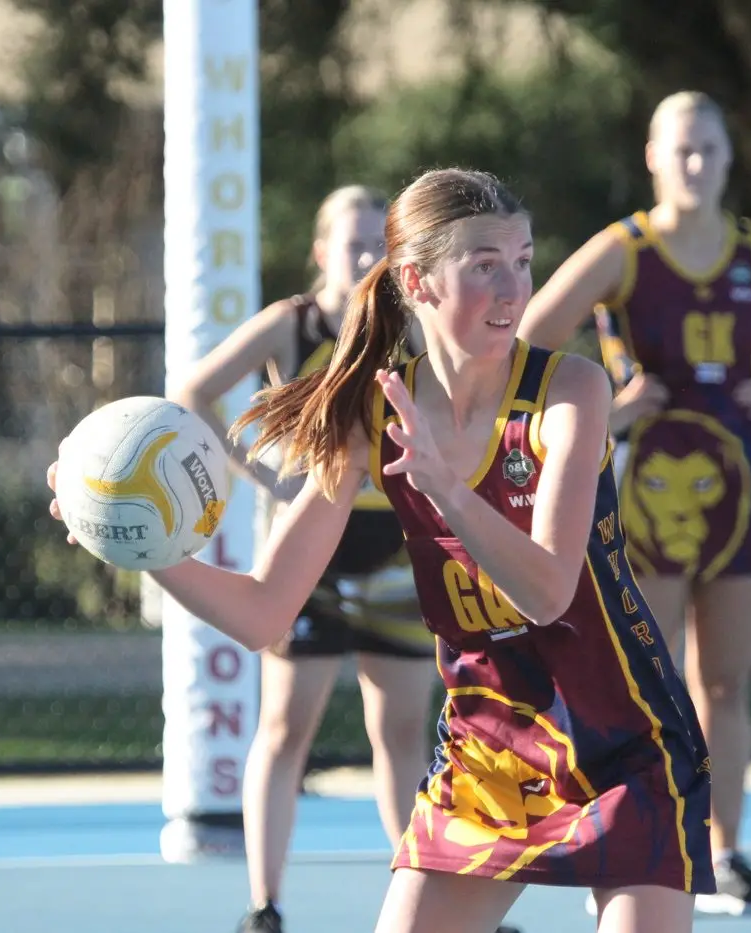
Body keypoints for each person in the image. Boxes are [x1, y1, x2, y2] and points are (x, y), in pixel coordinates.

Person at [50, 168, 714, 933]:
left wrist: (447, 489)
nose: (513, 288)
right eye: (484, 265)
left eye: (523, 260)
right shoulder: (373, 409)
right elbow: (266, 611)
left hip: (625, 740)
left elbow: (548, 590)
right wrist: (142, 547)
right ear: (417, 281)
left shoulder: (570, 390)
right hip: (489, 749)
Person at [517, 90, 751, 916]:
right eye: (682, 149)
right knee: (647, 682)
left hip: (739, 483)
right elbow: (526, 345)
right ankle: (647, 840)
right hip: (645, 490)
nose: (696, 163)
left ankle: (725, 851)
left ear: (728, 156)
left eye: (710, 148)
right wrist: (606, 409)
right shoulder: (623, 249)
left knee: (726, 684)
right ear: (653, 157)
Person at [166, 185, 439, 933]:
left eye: (374, 247)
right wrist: (264, 472)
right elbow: (194, 388)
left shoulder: (409, 329)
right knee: (287, 730)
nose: (361, 258)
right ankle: (266, 904)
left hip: (396, 556)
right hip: (310, 558)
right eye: (348, 243)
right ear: (320, 250)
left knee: (403, 735)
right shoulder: (293, 325)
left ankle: (430, 897)